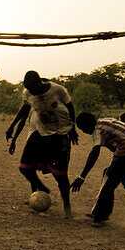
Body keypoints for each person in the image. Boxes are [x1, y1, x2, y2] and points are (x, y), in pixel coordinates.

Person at [6, 71, 78, 218]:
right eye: (28, 89)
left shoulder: (58, 90)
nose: (31, 92)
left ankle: (67, 206)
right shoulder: (28, 92)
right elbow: (24, 110)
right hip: (41, 132)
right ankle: (40, 187)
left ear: (39, 82)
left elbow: (70, 108)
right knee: (24, 167)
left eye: (33, 88)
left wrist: (73, 128)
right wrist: (11, 126)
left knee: (61, 174)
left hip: (61, 133)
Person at [71, 112, 125, 227]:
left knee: (108, 181)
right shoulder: (105, 121)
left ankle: (99, 217)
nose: (83, 132)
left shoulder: (97, 129)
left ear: (88, 125)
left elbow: (94, 153)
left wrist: (81, 176)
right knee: (110, 173)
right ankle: (101, 212)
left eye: (83, 129)